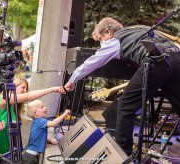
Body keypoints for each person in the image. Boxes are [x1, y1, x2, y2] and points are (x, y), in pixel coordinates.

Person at [64, 17, 180, 156]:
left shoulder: (115, 40)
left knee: (125, 105)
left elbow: (91, 63)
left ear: (108, 32)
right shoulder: (137, 30)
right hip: (176, 59)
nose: (102, 44)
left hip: (156, 63)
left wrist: (72, 80)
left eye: (101, 39)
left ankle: (121, 154)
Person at [0, 77, 64, 163]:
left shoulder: (16, 109)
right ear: (13, 87)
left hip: (9, 154)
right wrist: (52, 89)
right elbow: (28, 96)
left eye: (26, 89)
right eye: (23, 87)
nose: (25, 91)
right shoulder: (2, 99)